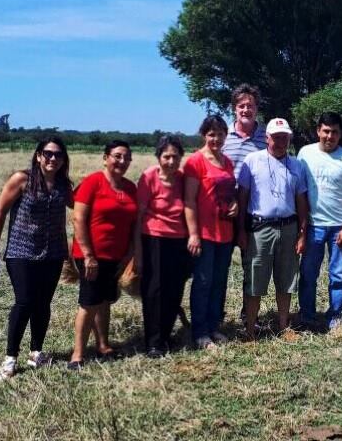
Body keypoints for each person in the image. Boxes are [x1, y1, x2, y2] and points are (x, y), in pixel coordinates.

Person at [0, 137, 73, 381]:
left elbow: (81, 208)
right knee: (24, 302)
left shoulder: (63, 185)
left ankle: (36, 352)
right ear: (38, 156)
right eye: (48, 153)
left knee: (43, 303)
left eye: (58, 155)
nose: (53, 158)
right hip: (21, 251)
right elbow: (1, 211)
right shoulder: (21, 180)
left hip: (53, 252)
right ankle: (10, 358)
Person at [68, 140, 138, 369]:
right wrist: (88, 255)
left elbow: (134, 223)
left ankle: (103, 345)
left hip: (116, 257)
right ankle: (77, 355)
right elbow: (78, 219)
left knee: (105, 300)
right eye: (117, 156)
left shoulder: (130, 188)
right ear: (105, 158)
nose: (122, 161)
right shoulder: (92, 182)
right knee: (89, 303)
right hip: (91, 255)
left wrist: (129, 253)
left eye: (126, 157)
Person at [237, 118, 309, 338]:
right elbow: (242, 198)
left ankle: (283, 326)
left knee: (286, 280)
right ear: (267, 138)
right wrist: (241, 230)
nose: (280, 142)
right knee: (255, 280)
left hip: (288, 227)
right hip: (260, 229)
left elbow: (302, 202)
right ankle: (250, 329)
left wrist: (302, 234)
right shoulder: (252, 161)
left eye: (284, 137)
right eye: (276, 137)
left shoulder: (297, 165)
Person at [297, 112, 342, 330]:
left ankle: (335, 315)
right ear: (318, 131)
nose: (329, 136)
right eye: (326, 131)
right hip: (313, 225)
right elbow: (300, 190)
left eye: (334, 132)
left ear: (340, 134)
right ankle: (307, 314)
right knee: (307, 273)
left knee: (339, 275)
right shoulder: (305, 154)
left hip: (339, 227)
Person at [134, 136, 192, 358]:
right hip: (154, 239)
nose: (170, 161)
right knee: (154, 291)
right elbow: (138, 217)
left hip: (178, 240)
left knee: (174, 289)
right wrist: (138, 251)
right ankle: (153, 342)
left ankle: (167, 336)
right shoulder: (149, 177)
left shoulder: (182, 178)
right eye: (166, 156)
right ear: (158, 157)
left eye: (175, 157)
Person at [184, 115, 238, 349]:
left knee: (219, 282)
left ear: (226, 135)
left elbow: (228, 191)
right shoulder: (195, 161)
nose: (216, 138)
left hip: (225, 232)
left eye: (220, 134)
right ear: (203, 135)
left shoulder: (226, 161)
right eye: (211, 134)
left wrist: (235, 204)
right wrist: (193, 234)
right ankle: (200, 332)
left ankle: (214, 326)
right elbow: (189, 201)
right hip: (204, 233)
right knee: (203, 282)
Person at [221, 84, 268, 325]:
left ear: (257, 108)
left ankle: (248, 314)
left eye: (250, 105)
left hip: (254, 211)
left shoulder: (266, 137)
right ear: (234, 109)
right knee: (220, 266)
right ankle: (216, 315)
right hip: (226, 211)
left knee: (251, 266)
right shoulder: (223, 137)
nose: (246, 109)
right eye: (241, 106)